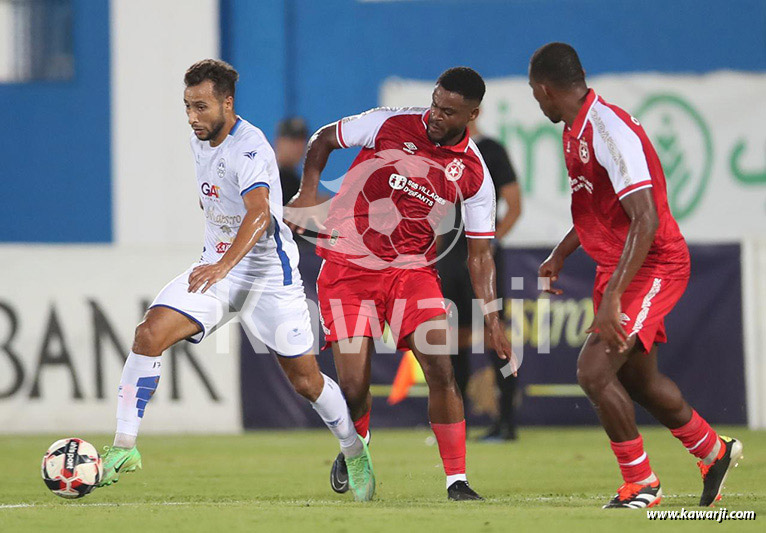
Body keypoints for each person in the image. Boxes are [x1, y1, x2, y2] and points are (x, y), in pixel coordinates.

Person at [98, 59, 375, 502]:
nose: (193, 117)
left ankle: (354, 449)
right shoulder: (199, 140)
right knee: (148, 334)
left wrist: (223, 265)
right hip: (217, 270)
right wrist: (218, 261)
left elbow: (260, 213)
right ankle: (125, 447)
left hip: (267, 279)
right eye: (187, 107)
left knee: (306, 382)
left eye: (202, 107)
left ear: (227, 103)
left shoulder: (251, 148)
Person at [529, 42, 742, 509]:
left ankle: (642, 483)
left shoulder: (608, 131)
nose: (536, 102)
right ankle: (713, 451)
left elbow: (644, 218)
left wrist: (612, 298)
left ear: (544, 89)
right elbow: (598, 212)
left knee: (593, 371)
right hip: (623, 265)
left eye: (534, 93)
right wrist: (561, 253)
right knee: (640, 382)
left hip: (655, 264)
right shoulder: (575, 128)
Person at [286, 67, 515, 501]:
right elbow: (322, 139)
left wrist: (492, 319)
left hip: (411, 273)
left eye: (448, 111)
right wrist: (307, 190)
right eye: (434, 102)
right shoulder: (390, 123)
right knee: (353, 388)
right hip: (348, 265)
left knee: (441, 368)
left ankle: (457, 481)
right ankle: (357, 445)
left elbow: (480, 253)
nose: (435, 115)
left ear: (472, 114)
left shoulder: (474, 174)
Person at [436, 115, 522, 441]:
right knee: (453, 342)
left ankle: (507, 423)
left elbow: (514, 205)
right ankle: (459, 426)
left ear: (474, 112)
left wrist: (489, 242)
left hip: (482, 261)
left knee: (494, 338)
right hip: (450, 261)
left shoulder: (491, 151)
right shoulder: (443, 152)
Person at [275, 117, 309, 206]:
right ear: (279, 142)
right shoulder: (268, 175)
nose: (298, 147)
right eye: (293, 141)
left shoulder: (294, 181)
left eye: (301, 141)